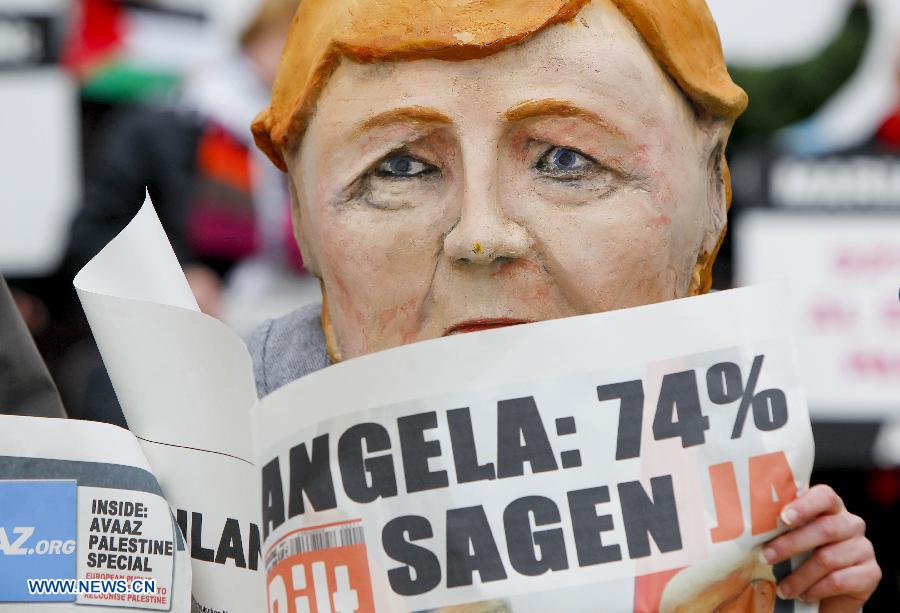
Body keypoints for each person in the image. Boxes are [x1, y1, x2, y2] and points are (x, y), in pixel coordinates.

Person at [249, 0, 881, 609]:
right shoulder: (197, 440)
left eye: (565, 159)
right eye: (402, 167)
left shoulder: (740, 475)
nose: (481, 236)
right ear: (301, 215)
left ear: (713, 194)